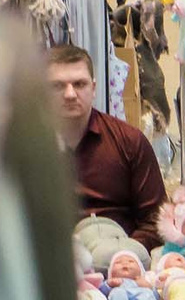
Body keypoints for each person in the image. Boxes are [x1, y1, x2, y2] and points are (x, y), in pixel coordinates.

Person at [48, 42, 164, 245]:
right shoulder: (26, 150)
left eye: (79, 84)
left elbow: (156, 221)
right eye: (58, 86)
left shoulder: (129, 141)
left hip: (120, 264)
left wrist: (122, 256)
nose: (70, 94)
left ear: (93, 88)